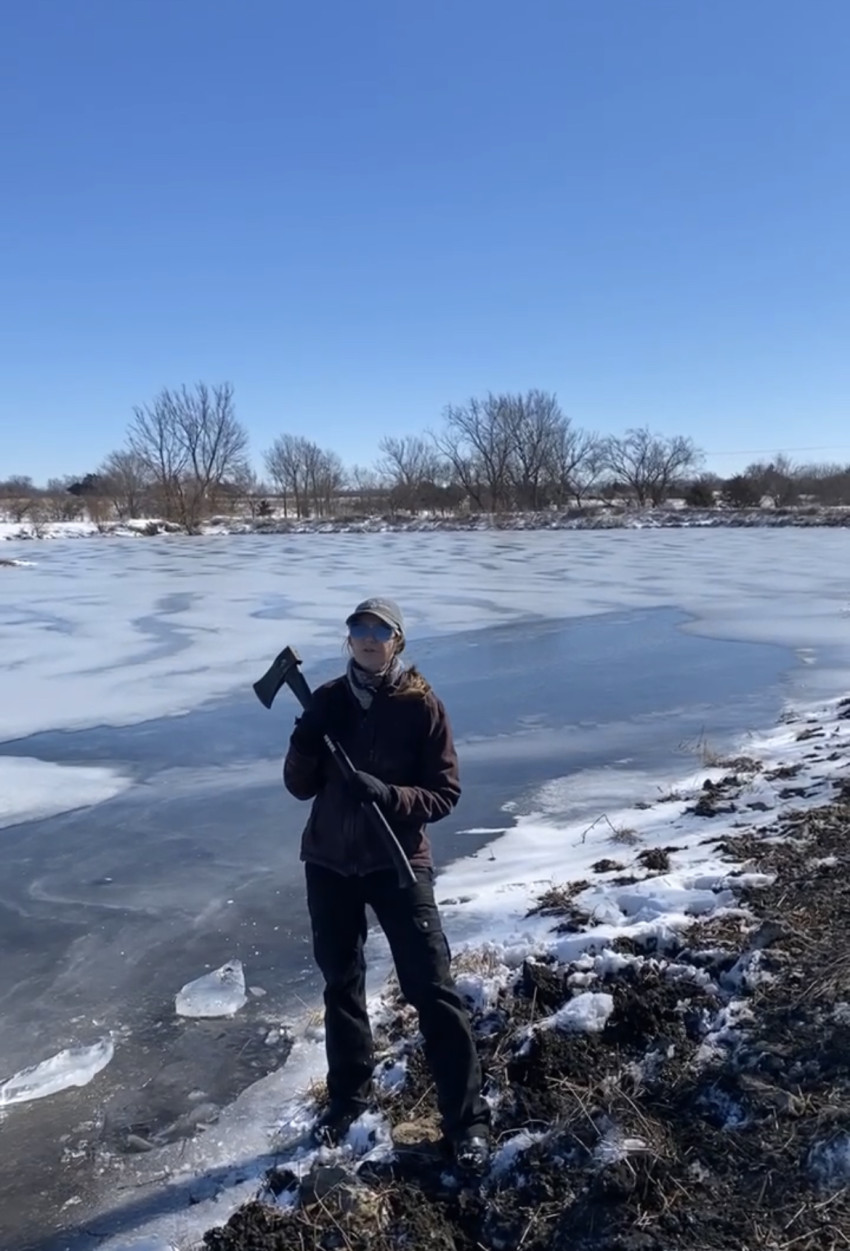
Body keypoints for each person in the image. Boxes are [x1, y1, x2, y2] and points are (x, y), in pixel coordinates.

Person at [283, 596, 491, 1171]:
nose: (368, 638)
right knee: (341, 984)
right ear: (347, 639)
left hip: (399, 859)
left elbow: (445, 794)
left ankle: (467, 1122)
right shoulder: (325, 700)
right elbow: (298, 787)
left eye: (380, 630)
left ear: (397, 641)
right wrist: (306, 738)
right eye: (358, 629)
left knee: (433, 989)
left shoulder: (422, 706)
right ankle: (349, 1100)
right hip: (328, 863)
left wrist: (391, 795)